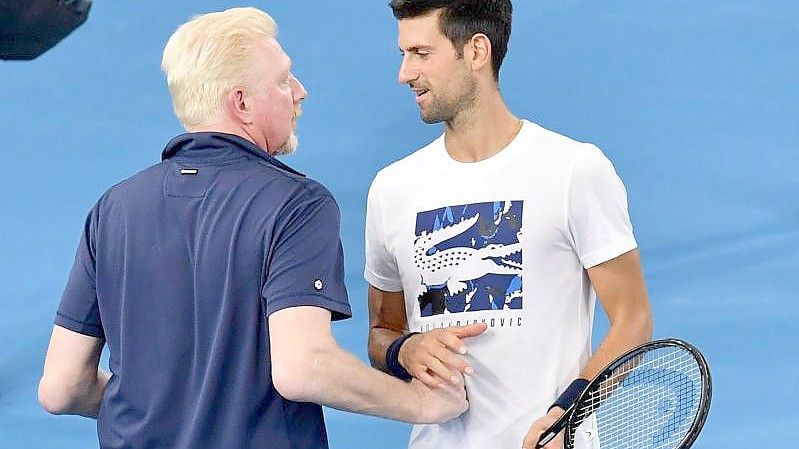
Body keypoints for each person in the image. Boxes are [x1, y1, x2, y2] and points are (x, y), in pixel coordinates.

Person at [37, 7, 468, 449]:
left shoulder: (112, 209)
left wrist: (159, 410)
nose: (301, 92)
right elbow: (303, 367)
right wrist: (420, 405)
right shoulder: (297, 204)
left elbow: (61, 388)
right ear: (240, 103)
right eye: (283, 81)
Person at [364, 1, 654, 448]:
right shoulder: (391, 189)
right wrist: (407, 350)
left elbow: (632, 320)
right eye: (404, 54)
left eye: (421, 54)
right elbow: (382, 334)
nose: (405, 73)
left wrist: (566, 416)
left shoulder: (575, 170)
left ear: (477, 51)